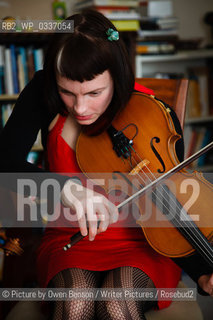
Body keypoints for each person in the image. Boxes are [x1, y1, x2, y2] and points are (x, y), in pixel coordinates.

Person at [0, 9, 212, 320]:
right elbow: (4, 163)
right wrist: (65, 188)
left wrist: (203, 271)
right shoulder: (42, 91)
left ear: (117, 75)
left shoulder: (154, 115)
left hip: (143, 243)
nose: (80, 107)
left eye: (94, 93)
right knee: (74, 306)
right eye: (67, 92)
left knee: (117, 306)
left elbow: (171, 203)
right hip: (70, 240)